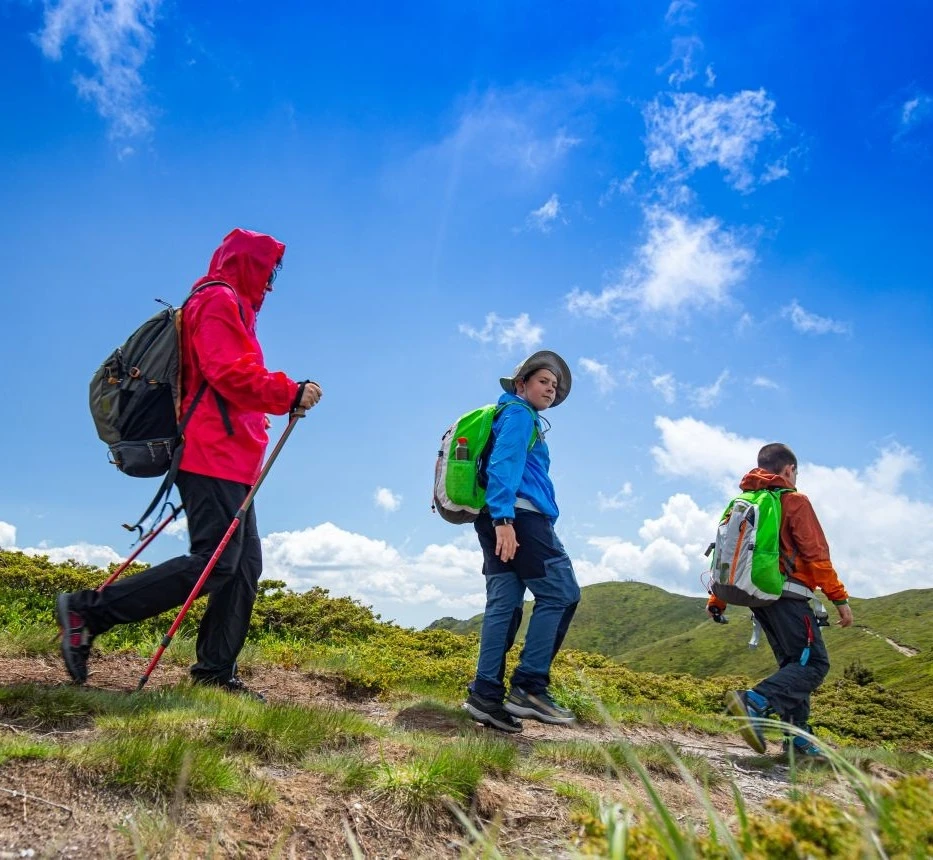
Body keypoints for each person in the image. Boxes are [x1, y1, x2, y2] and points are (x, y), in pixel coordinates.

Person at [57, 228, 322, 698]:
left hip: (232, 457)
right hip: (211, 452)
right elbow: (228, 372)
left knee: (242, 566)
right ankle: (87, 612)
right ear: (248, 265)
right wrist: (289, 392)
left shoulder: (226, 304)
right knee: (217, 564)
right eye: (268, 272)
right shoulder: (218, 300)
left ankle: (215, 673)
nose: (271, 284)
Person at [708, 442, 853, 758]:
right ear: (789, 470)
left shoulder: (743, 501)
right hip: (790, 597)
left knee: (794, 663)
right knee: (814, 663)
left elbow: (724, 554)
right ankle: (754, 702)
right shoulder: (795, 502)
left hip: (760, 599)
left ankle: (797, 739)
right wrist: (839, 598)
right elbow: (816, 555)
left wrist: (717, 598)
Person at [463, 351, 581, 733]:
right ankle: (530, 687)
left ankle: (485, 693)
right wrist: (505, 520)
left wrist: (497, 518)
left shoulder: (509, 415)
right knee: (562, 594)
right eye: (544, 381)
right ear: (521, 385)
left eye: (554, 385)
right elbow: (504, 464)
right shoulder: (518, 414)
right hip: (519, 519)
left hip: (497, 518)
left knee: (505, 605)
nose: (551, 388)